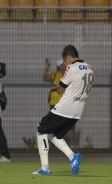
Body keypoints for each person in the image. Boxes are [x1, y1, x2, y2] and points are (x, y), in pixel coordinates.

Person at [33, 45, 93, 175]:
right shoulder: (89, 68)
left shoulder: (71, 67)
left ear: (68, 57)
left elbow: (60, 90)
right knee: (54, 134)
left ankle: (45, 169)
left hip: (65, 108)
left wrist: (59, 84)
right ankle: (73, 157)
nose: (65, 64)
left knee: (40, 129)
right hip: (77, 111)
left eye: (65, 61)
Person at [43, 58, 76, 147]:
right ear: (59, 66)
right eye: (62, 65)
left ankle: (71, 146)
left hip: (66, 104)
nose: (64, 66)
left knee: (69, 126)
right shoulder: (55, 75)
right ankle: (54, 145)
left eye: (65, 65)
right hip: (55, 104)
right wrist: (47, 67)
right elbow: (45, 78)